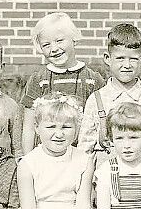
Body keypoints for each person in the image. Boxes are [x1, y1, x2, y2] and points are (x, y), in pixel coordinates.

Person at [79, 23, 141, 164]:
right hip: (103, 179)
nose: (127, 65)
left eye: (133, 59)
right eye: (120, 58)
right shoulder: (96, 100)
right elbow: (85, 149)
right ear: (107, 58)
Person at [19, 12, 105, 153]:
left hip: (82, 153)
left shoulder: (92, 79)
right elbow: (29, 126)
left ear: (74, 39)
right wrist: (27, 159)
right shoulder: (39, 80)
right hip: (47, 154)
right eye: (46, 45)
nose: (54, 49)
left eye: (59, 41)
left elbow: (103, 120)